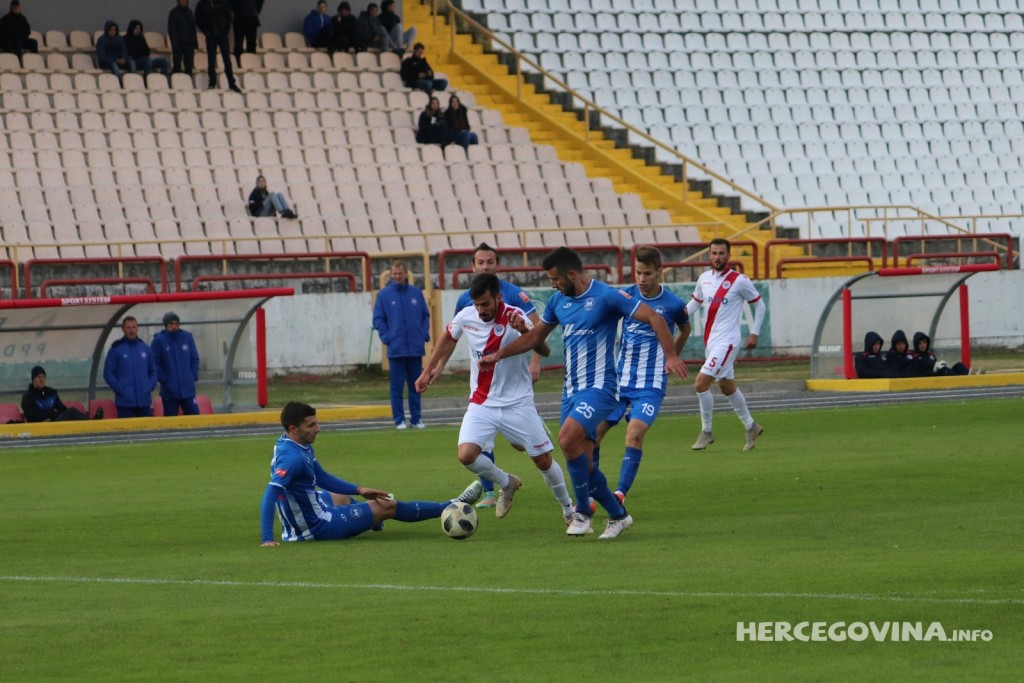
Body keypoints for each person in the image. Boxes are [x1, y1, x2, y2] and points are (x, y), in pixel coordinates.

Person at [481, 247, 688, 539]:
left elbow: (655, 318)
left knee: (566, 439)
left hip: (601, 388)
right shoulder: (557, 302)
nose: (552, 285)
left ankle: (582, 513)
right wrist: (499, 355)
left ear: (572, 274)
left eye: (555, 279)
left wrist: (670, 356)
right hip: (572, 391)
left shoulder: (606, 296)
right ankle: (618, 515)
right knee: (585, 465)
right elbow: (536, 339)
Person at [416, 273, 577, 525]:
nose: (480, 310)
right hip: (482, 402)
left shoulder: (515, 316)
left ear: (498, 298)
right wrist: (429, 370)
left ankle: (569, 511)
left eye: (485, 304)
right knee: (466, 455)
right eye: (477, 304)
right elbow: (449, 336)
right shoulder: (466, 315)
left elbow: (544, 350)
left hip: (517, 402)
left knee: (542, 460)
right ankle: (507, 482)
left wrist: (524, 330)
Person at [260, 402, 484, 545]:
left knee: (342, 497)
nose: (317, 429)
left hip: (307, 512)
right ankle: (451, 504)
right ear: (293, 429)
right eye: (311, 425)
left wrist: (359, 490)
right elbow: (271, 494)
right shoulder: (294, 458)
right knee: (388, 505)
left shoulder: (291, 444)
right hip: (316, 526)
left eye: (316, 423)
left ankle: (371, 520)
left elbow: (322, 477)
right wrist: (267, 538)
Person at [593, 246, 691, 504]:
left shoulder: (673, 304)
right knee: (591, 434)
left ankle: (619, 494)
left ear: (660, 272)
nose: (641, 279)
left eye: (647, 273)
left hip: (650, 384)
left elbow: (685, 327)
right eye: (638, 272)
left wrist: (671, 357)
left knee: (634, 433)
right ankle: (593, 490)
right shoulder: (625, 297)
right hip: (619, 381)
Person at [451, 243, 543, 509]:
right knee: (478, 441)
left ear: (497, 264)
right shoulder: (465, 299)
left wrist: (535, 361)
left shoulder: (514, 294)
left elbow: (538, 329)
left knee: (520, 444)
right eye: (481, 262)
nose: (485, 266)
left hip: (513, 386)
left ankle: (534, 431)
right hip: (484, 387)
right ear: (473, 266)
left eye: (490, 262)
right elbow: (456, 333)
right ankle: (491, 491)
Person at [686, 238, 766, 452]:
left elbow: (760, 305)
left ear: (728, 256)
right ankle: (751, 426)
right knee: (726, 385)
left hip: (728, 342)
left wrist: (755, 333)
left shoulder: (739, 280)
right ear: (709, 255)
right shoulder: (703, 279)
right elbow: (695, 303)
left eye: (722, 253)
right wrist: (677, 317)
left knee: (701, 384)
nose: (717, 257)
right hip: (711, 342)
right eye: (714, 253)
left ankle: (707, 432)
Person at [372, 260, 430, 430]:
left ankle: (416, 419)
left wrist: (423, 334)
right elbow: (378, 319)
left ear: (406, 274)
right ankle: (399, 420)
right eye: (394, 274)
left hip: (415, 347)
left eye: (400, 273)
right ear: (391, 275)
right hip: (396, 348)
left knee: (416, 385)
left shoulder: (416, 293)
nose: (397, 277)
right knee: (396, 387)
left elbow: (425, 315)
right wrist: (387, 337)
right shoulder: (384, 295)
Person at [103, 316, 158, 418]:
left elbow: (153, 371)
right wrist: (120, 389)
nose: (131, 330)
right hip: (124, 402)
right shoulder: (116, 349)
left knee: (146, 431)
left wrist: (149, 386)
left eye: (133, 327)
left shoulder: (145, 348)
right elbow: (108, 373)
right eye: (128, 328)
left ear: (137, 328)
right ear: (123, 329)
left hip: (144, 401)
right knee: (125, 431)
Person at [151, 311, 201, 417]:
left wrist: (192, 376)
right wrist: (165, 379)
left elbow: (194, 358)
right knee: (170, 419)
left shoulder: (187, 337)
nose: (174, 326)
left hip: (188, 389)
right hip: (169, 391)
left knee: (194, 417)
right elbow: (154, 363)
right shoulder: (159, 340)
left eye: (176, 323)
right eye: (171, 324)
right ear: (166, 325)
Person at [195, 0, 241, 93]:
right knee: (211, 60)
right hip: (210, 35)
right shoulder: (202, 4)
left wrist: (225, 30)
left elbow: (228, 17)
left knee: (227, 60)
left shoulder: (223, 2)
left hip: (222, 35)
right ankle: (212, 82)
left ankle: (231, 83)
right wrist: (206, 32)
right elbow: (198, 19)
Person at [21, 366, 89, 423]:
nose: (41, 379)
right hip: (40, 425)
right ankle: (89, 423)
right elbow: (33, 416)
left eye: (43, 376)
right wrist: (52, 411)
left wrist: (53, 414)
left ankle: (89, 422)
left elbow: (62, 409)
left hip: (54, 420)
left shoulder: (51, 392)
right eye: (38, 377)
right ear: (33, 379)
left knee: (71, 412)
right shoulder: (28, 397)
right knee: (72, 412)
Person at [167, 0, 198, 76]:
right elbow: (172, 30)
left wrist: (195, 42)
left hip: (189, 43)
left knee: (189, 66)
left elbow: (193, 29)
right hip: (178, 43)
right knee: (177, 65)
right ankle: (176, 82)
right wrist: (174, 44)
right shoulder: (173, 13)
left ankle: (188, 83)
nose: (183, 2)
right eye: (181, 0)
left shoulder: (190, 12)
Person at [230, 0, 262, 65]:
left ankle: (251, 63)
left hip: (252, 18)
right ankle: (239, 63)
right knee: (238, 43)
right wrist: (233, 11)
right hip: (239, 18)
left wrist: (257, 10)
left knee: (252, 43)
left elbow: (260, 1)